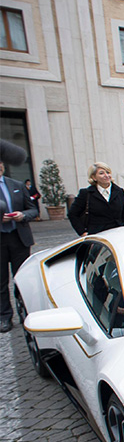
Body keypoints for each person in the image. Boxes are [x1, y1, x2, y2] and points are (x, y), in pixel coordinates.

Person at [0, 139, 37, 333]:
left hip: (18, 238)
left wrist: (23, 215)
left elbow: (33, 210)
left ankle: (27, 312)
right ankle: (5, 317)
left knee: (22, 277)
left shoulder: (16, 185)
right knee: (0, 282)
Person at [68, 163, 124, 236]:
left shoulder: (119, 191)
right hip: (97, 236)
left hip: (118, 234)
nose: (106, 175)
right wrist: (82, 233)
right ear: (94, 177)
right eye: (101, 173)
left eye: (108, 172)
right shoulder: (86, 193)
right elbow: (72, 214)